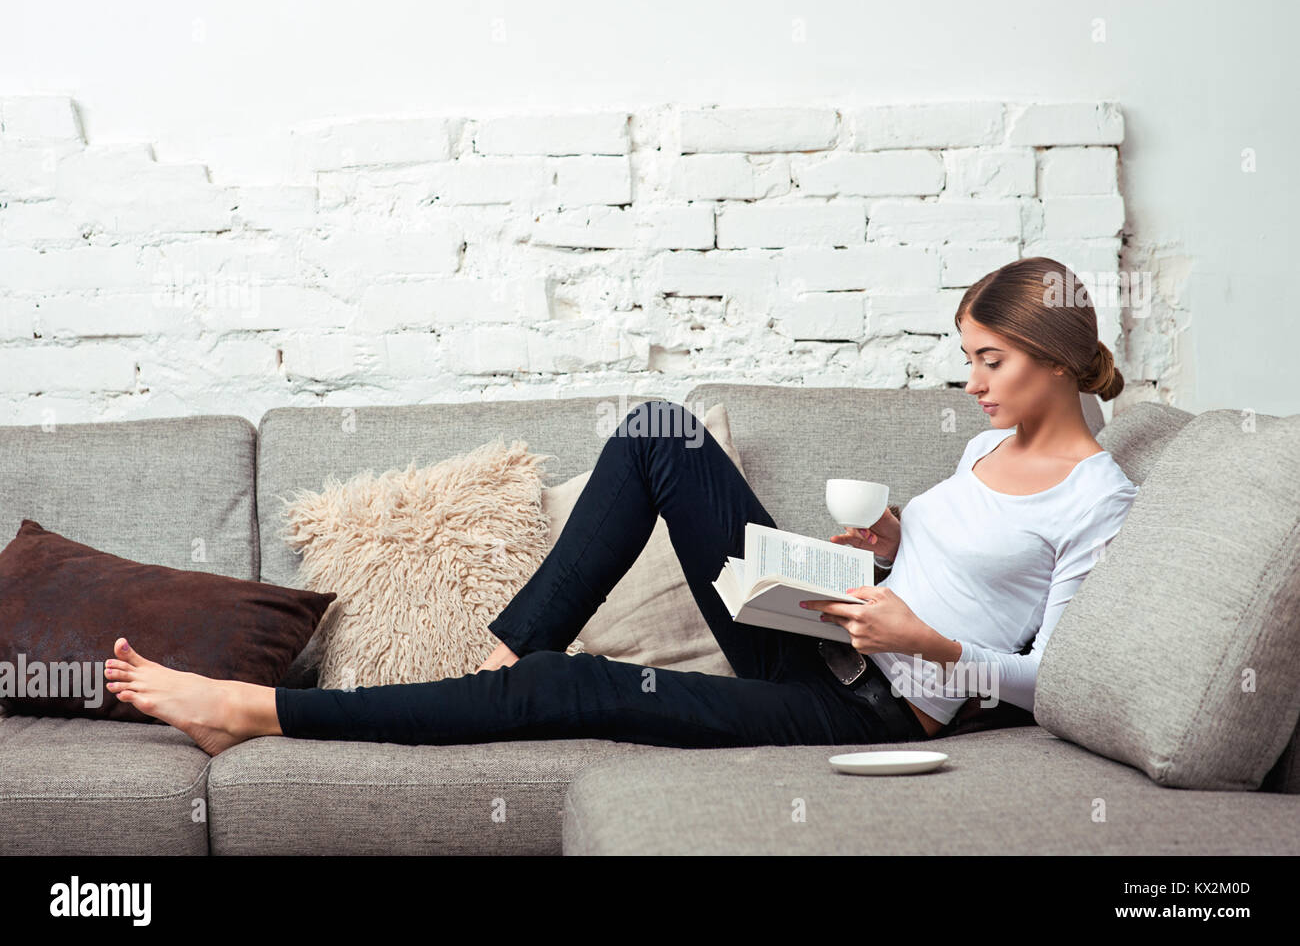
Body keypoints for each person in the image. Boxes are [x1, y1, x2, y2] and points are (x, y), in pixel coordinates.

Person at [104, 256, 1138, 757]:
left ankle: (254, 710)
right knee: (657, 433)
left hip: (870, 701)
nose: (972, 383)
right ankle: (505, 662)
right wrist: (889, 540)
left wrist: (932, 644)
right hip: (825, 621)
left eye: (989, 360)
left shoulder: (1100, 498)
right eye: (968, 360)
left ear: (1052, 360)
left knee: (577, 688)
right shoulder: (984, 444)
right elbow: (959, 542)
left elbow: (1062, 682)